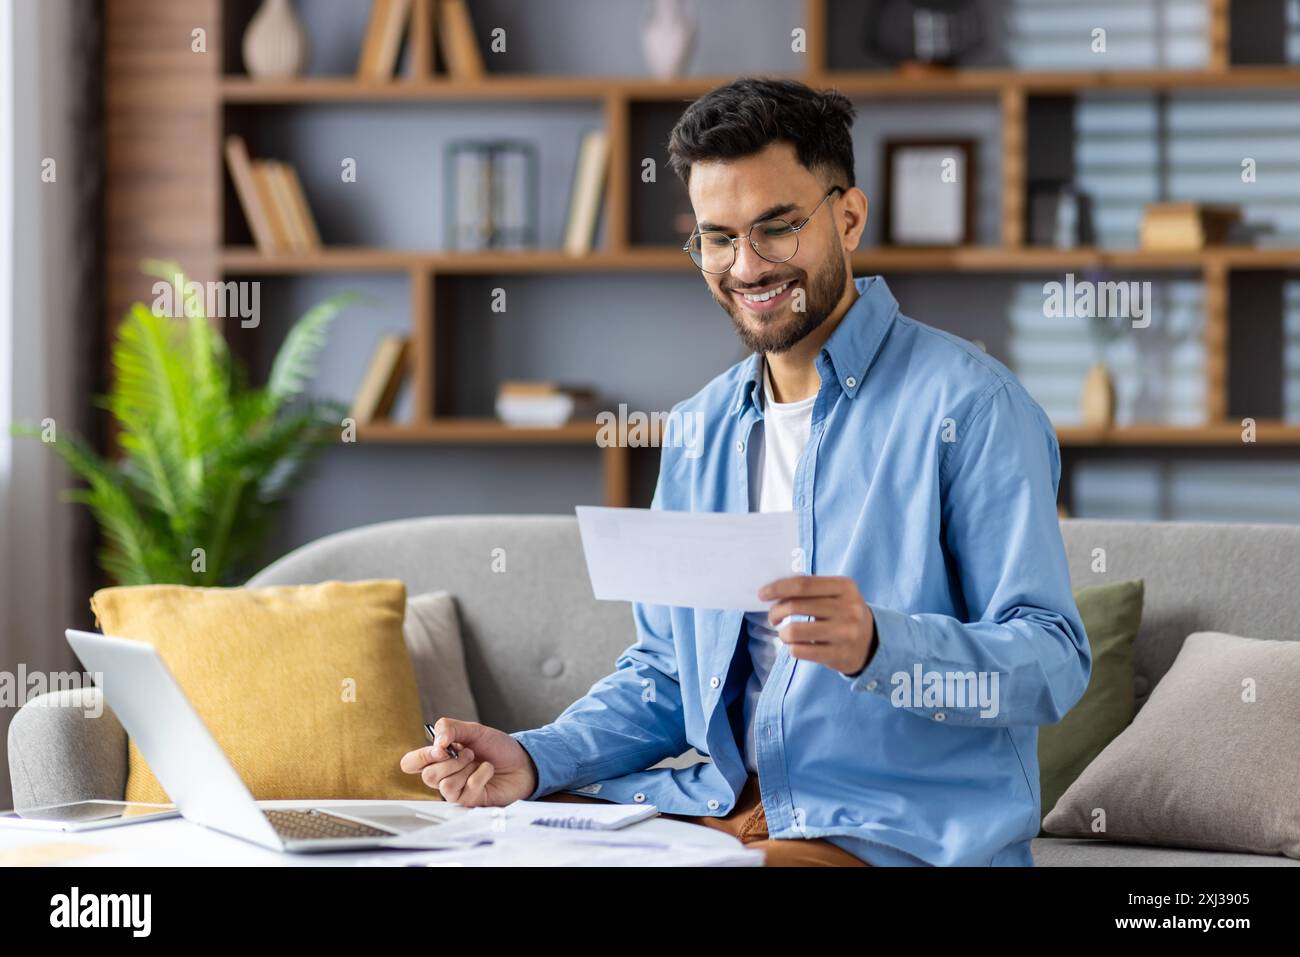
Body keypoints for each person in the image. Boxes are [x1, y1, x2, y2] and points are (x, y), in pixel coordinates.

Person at [400, 77, 1091, 867]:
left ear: (850, 216)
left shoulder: (973, 407)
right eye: (717, 237)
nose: (747, 266)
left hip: (885, 832)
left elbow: (1052, 663)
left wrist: (880, 646)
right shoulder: (699, 429)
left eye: (777, 228)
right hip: (719, 812)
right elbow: (667, 674)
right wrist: (534, 758)